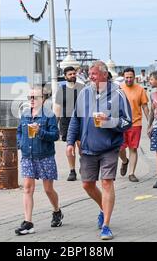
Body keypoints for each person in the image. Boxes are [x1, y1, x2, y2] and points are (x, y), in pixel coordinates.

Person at [67, 61, 132, 240]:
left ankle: (106, 226)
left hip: (109, 148)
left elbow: (128, 122)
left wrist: (109, 120)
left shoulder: (118, 93)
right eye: (89, 74)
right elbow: (75, 119)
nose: (90, 77)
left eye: (94, 74)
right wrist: (70, 142)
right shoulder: (84, 93)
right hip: (87, 148)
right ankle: (103, 207)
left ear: (104, 75)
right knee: (87, 184)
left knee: (106, 183)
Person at [15, 87, 62, 235]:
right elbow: (19, 131)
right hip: (28, 156)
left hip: (45, 156)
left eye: (35, 97)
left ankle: (57, 211)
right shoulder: (25, 114)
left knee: (48, 189)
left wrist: (40, 132)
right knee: (27, 188)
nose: (32, 100)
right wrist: (20, 143)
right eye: (30, 97)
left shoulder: (49, 116)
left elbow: (55, 135)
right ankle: (28, 222)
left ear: (43, 99)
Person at [54, 66, 85, 181]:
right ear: (65, 76)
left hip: (81, 120)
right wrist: (54, 125)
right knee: (70, 147)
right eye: (70, 74)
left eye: (74, 73)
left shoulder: (82, 88)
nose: (72, 76)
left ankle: (84, 165)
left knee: (81, 146)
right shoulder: (61, 90)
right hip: (66, 121)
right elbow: (57, 108)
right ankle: (72, 171)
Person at [119, 68, 150, 182]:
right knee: (120, 148)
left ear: (134, 77)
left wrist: (150, 123)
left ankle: (131, 173)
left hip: (135, 123)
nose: (129, 79)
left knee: (133, 149)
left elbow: (145, 107)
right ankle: (124, 161)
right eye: (126, 77)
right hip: (121, 123)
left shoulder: (140, 89)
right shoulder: (119, 89)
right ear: (124, 77)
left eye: (131, 77)